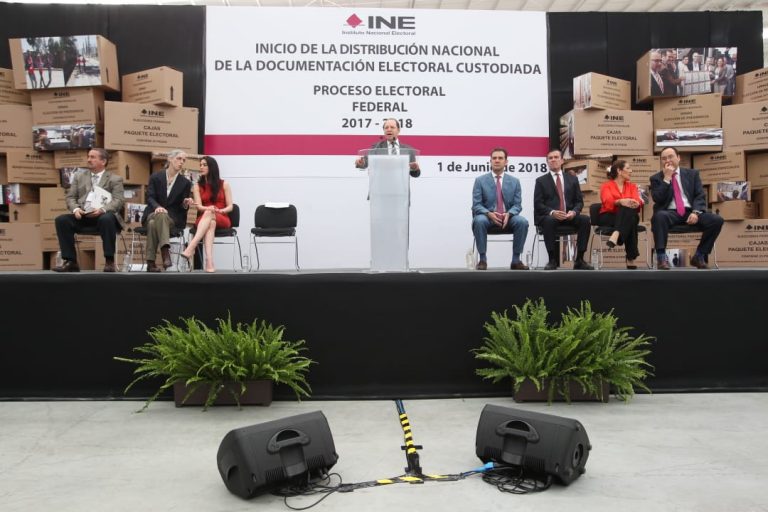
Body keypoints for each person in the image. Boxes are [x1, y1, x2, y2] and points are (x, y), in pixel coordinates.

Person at [650, 147, 724, 270]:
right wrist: (667, 178)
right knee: (659, 216)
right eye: (663, 159)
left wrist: (696, 212)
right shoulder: (656, 178)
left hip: (690, 212)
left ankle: (699, 255)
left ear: (678, 158)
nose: (667, 160)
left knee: (717, 220)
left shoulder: (692, 174)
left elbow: (699, 195)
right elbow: (658, 198)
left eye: (670, 157)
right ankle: (661, 258)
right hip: (669, 213)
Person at [53, 148, 125, 272]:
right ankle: (71, 262)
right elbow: (70, 197)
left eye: (92, 157)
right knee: (62, 220)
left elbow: (118, 201)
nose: (88, 160)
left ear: (103, 161)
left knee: (107, 218)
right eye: (88, 157)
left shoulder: (114, 179)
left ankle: (109, 261)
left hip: (103, 216)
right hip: (83, 215)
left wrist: (102, 209)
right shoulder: (79, 176)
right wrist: (75, 209)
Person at [533, 149, 593, 270]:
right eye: (550, 158)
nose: (553, 160)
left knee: (585, 220)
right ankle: (552, 260)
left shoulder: (572, 179)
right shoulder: (541, 181)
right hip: (551, 217)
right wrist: (552, 212)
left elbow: (579, 201)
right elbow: (538, 204)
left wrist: (574, 212)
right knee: (549, 221)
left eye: (556, 157)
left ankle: (579, 259)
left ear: (562, 160)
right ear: (547, 162)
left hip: (569, 216)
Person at [471, 148, 529, 270]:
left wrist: (509, 214)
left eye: (500, 158)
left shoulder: (514, 181)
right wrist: (489, 213)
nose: (497, 160)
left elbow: (517, 205)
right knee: (479, 220)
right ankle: (482, 259)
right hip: (487, 218)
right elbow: (476, 205)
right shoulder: (480, 181)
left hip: (508, 218)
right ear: (490, 161)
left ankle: (516, 260)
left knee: (522, 222)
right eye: (494, 158)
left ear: (506, 162)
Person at [142, 149, 193, 272]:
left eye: (184, 160)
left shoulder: (185, 183)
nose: (181, 162)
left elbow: (182, 208)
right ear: (170, 159)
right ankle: (165, 252)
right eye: (179, 159)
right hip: (152, 213)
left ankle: (151, 263)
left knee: (154, 223)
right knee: (158, 215)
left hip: (172, 219)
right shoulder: (156, 177)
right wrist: (157, 207)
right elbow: (150, 197)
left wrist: (186, 204)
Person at [181, 156, 232, 273]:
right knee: (211, 223)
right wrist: (209, 208)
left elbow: (230, 206)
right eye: (201, 165)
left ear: (212, 167)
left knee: (211, 217)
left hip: (222, 216)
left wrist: (221, 210)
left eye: (204, 165)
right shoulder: (197, 186)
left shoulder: (224, 184)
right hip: (204, 217)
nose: (201, 167)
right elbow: (198, 206)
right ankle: (209, 261)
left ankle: (191, 247)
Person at [598, 160, 644, 269]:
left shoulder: (632, 186)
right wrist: (620, 202)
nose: (631, 171)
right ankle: (630, 257)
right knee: (630, 218)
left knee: (630, 214)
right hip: (609, 216)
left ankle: (617, 233)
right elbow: (607, 201)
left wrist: (635, 203)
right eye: (628, 168)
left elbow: (638, 201)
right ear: (619, 171)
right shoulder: (606, 186)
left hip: (627, 216)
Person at [354, 118, 420, 177]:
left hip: (401, 189)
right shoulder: (377, 147)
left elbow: (415, 174)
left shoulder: (408, 150)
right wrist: (361, 163)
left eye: (392, 127)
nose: (389, 130)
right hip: (381, 188)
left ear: (398, 130)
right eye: (386, 128)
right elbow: (365, 162)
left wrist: (415, 169)